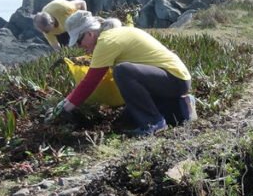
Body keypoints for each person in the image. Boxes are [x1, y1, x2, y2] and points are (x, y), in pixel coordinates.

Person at [54, 10, 196, 137]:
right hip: (169, 79)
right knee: (128, 118)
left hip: (174, 79)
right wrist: (65, 101)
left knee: (123, 71)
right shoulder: (114, 33)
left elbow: (90, 82)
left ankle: (154, 124)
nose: (80, 47)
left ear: (90, 33)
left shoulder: (106, 41)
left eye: (79, 41)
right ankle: (181, 106)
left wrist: (65, 109)